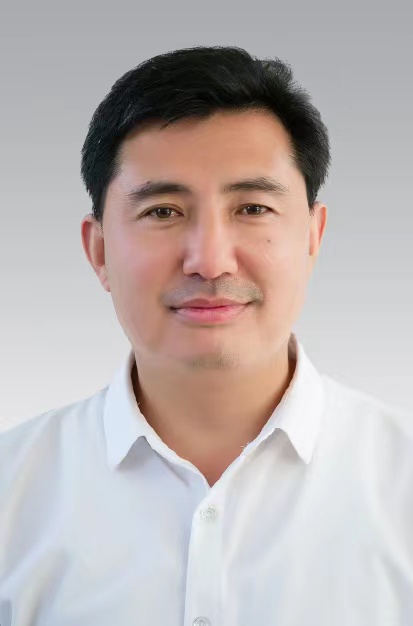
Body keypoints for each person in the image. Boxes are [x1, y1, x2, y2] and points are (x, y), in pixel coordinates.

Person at [0, 45, 412, 626]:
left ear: (312, 236)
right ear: (99, 251)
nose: (211, 261)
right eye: (163, 212)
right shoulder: (12, 493)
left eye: (252, 208)